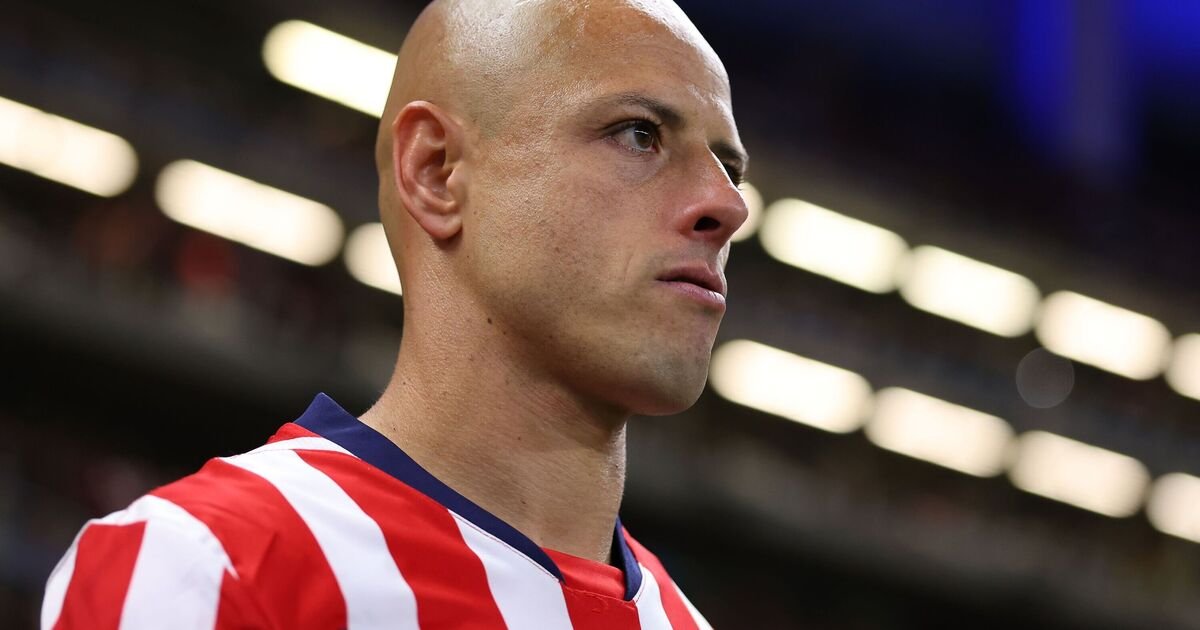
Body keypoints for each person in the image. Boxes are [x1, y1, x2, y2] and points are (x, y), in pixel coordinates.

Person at [41, 0, 748, 627]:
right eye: (639, 134)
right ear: (436, 171)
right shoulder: (207, 566)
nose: (728, 205)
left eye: (730, 168)